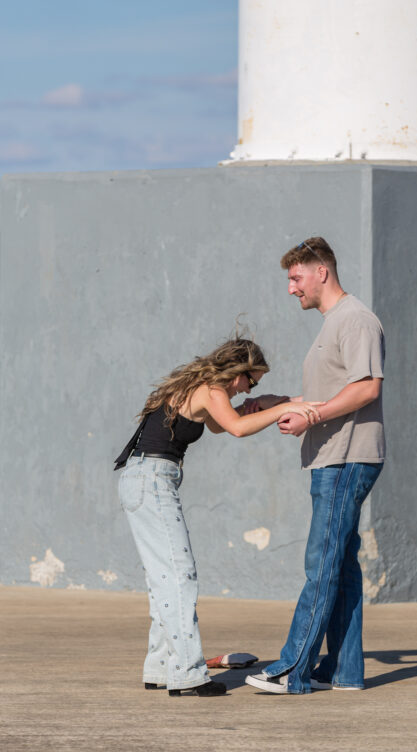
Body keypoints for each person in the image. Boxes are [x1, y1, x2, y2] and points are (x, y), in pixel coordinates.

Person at [114, 338, 323, 698]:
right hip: (152, 479)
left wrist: (281, 402)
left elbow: (221, 424)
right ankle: (188, 674)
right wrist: (279, 410)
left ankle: (161, 667)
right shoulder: (211, 389)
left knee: (163, 578)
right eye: (250, 381)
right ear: (236, 371)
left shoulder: (200, 388)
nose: (249, 388)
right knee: (179, 576)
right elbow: (238, 428)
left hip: (142, 478)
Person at [245, 237, 385, 694]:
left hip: (347, 457)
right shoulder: (335, 323)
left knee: (321, 562)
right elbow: (334, 390)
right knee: (340, 564)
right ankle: (344, 672)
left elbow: (366, 390)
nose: (291, 289)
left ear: (321, 271)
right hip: (333, 457)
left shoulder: (356, 320)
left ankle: (292, 670)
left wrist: (312, 416)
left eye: (295, 277)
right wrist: (281, 402)